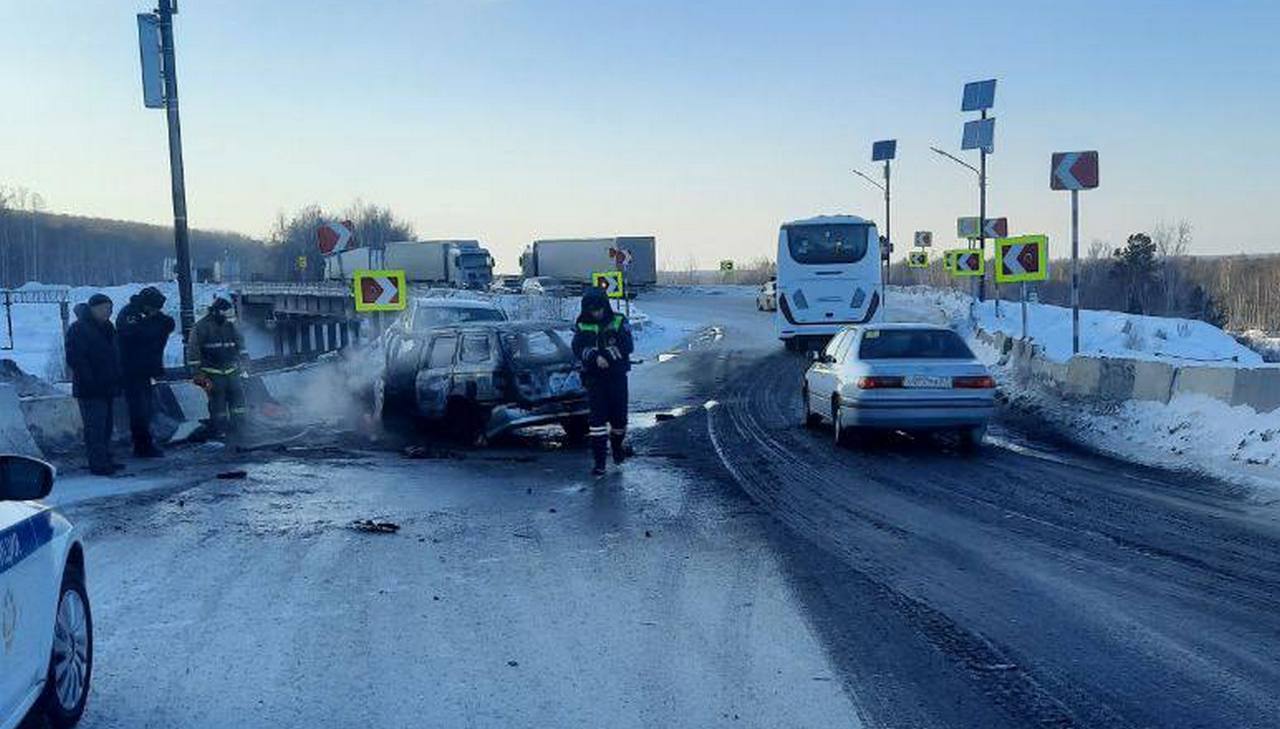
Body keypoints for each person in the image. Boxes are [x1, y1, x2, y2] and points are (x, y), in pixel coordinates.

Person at [571, 286, 634, 476]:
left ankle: (617, 448)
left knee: (619, 421)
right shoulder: (582, 325)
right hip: (594, 379)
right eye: (592, 310)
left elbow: (627, 345)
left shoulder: (619, 321)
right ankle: (599, 463)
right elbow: (577, 347)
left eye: (598, 309)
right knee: (597, 423)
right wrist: (593, 357)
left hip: (616, 377)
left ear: (605, 306)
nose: (596, 313)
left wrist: (607, 355)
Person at [64, 293, 123, 475]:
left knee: (106, 426)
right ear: (93, 309)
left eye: (109, 309)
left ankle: (106, 458)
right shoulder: (78, 329)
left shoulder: (107, 327)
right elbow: (76, 359)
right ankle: (98, 463)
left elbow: (114, 356)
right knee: (95, 428)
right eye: (104, 308)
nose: (107, 312)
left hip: (108, 386)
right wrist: (90, 380)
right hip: (89, 388)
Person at [116, 286, 175, 457]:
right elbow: (135, 334)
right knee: (138, 410)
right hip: (131, 370)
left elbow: (168, 324)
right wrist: (152, 323)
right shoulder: (129, 314)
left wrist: (153, 321)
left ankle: (146, 443)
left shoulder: (151, 316)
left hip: (146, 370)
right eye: (153, 307)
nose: (155, 311)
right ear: (145, 304)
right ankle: (141, 445)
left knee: (146, 409)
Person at [186, 297, 248, 438]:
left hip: (232, 370)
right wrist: (197, 373)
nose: (228, 318)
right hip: (212, 373)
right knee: (218, 403)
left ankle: (240, 427)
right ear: (216, 312)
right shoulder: (201, 327)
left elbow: (241, 345)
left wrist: (245, 363)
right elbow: (193, 351)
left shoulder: (230, 326)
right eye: (225, 314)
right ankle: (220, 430)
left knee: (238, 401)